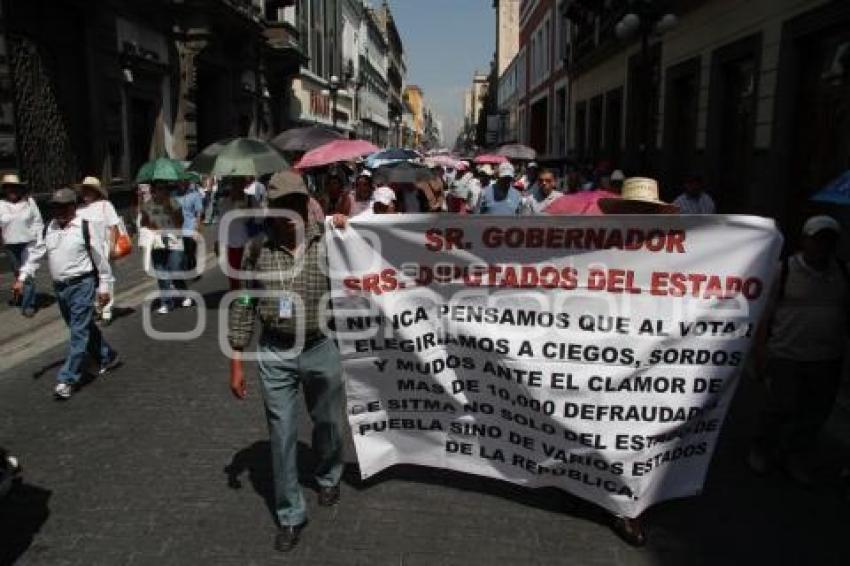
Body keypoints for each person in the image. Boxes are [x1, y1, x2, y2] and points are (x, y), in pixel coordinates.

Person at [228, 170, 344, 553]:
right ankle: (290, 514)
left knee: (326, 420)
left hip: (320, 346)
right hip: (275, 351)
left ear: (304, 205)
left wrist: (350, 227)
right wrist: (237, 359)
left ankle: (328, 474)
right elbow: (244, 301)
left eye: (295, 204)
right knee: (281, 434)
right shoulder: (257, 248)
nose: (288, 213)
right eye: (281, 206)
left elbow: (364, 273)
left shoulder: (329, 241)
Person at [598, 177, 679, 547]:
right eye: (633, 211)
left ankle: (628, 508)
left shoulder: (675, 255)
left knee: (638, 433)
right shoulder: (601, 250)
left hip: (651, 361)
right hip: (602, 355)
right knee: (602, 426)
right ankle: (595, 484)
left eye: (646, 212)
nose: (639, 218)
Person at [748, 215, 848, 485]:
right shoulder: (783, 271)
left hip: (827, 358)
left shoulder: (842, 272)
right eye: (817, 239)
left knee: (814, 413)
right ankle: (762, 448)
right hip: (786, 354)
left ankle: (795, 456)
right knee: (779, 406)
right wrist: (760, 350)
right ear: (805, 240)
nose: (822, 246)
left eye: (828, 240)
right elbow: (764, 315)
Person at [14, 188, 118, 399]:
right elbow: (36, 254)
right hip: (60, 287)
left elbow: (100, 260)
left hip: (82, 284)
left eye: (62, 207)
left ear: (72, 207)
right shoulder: (49, 228)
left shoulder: (86, 227)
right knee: (81, 326)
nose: (58, 211)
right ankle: (107, 355)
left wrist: (104, 288)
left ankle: (67, 379)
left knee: (78, 332)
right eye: (54, 207)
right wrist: (22, 277)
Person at [75, 176, 121, 325]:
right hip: (84, 250)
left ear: (96, 192)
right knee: (91, 279)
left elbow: (113, 226)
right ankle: (97, 307)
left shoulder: (104, 205)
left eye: (90, 190)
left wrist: (113, 247)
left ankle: (107, 310)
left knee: (106, 278)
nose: (86, 193)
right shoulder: (79, 209)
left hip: (102, 248)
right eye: (85, 190)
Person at [141, 183, 192, 314]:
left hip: (174, 240)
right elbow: (144, 223)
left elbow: (180, 222)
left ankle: (184, 293)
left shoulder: (174, 203)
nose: (160, 192)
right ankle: (166, 303)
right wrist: (151, 227)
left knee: (175, 269)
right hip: (157, 242)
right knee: (161, 273)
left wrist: (171, 210)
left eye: (162, 189)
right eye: (157, 189)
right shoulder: (147, 206)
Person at [0, 173, 43, 317]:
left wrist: (38, 240)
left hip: (28, 243)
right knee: (19, 274)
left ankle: (29, 304)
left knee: (28, 274)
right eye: (9, 188)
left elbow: (38, 222)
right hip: (11, 245)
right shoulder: (1, 205)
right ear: (5, 190)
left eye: (15, 187)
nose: (12, 190)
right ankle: (22, 295)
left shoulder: (29, 203)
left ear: (19, 189)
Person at [175, 179, 204, 273]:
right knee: (181, 253)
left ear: (187, 183)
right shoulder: (174, 196)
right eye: (180, 182)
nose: (181, 184)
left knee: (190, 252)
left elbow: (198, 213)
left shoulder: (194, 195)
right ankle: (186, 271)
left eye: (184, 182)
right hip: (178, 229)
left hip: (190, 228)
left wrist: (197, 229)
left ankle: (192, 268)